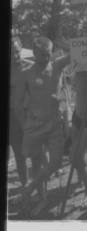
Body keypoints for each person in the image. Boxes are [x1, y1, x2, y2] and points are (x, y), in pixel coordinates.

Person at [15, 37, 70, 215]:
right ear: (34, 53)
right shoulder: (26, 72)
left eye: (47, 54)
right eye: (41, 55)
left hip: (55, 124)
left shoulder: (57, 66)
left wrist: (65, 44)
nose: (45, 58)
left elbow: (77, 52)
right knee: (37, 164)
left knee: (55, 163)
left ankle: (28, 188)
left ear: (51, 52)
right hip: (35, 125)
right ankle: (42, 199)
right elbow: (17, 103)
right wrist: (24, 126)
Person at [9, 37, 33, 188]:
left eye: (16, 52)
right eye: (11, 53)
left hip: (28, 114)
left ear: (21, 49)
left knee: (37, 151)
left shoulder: (30, 67)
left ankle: (40, 186)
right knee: (19, 154)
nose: (15, 56)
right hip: (11, 117)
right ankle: (25, 185)